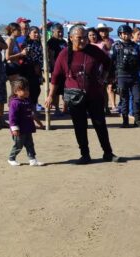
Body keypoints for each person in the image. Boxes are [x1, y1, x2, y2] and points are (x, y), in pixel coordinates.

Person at [45, 25, 119, 164]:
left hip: (94, 94)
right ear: (71, 38)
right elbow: (55, 76)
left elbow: (108, 62)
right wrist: (50, 96)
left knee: (100, 124)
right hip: (74, 96)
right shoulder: (64, 54)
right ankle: (85, 155)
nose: (84, 40)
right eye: (80, 38)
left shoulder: (94, 50)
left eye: (85, 37)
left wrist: (103, 77)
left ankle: (108, 153)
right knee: (80, 126)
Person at [111, 25, 140, 128]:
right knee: (124, 99)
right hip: (121, 76)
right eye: (124, 33)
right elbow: (111, 62)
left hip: (134, 76)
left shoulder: (135, 46)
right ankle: (125, 121)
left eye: (128, 33)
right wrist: (111, 77)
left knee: (137, 98)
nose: (126, 35)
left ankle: (137, 120)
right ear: (120, 34)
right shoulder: (116, 46)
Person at [7, 77, 43, 166]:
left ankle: (32, 159)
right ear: (16, 91)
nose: (26, 91)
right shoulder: (15, 103)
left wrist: (39, 123)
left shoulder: (27, 100)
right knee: (18, 144)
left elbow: (32, 114)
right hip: (19, 129)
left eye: (27, 89)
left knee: (30, 144)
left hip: (28, 127)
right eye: (23, 90)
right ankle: (11, 158)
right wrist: (14, 128)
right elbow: (12, 117)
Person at [21, 26, 43, 117]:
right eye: (34, 33)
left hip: (38, 69)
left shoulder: (38, 43)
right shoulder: (28, 43)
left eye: (37, 32)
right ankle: (30, 110)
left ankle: (33, 108)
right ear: (29, 34)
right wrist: (35, 66)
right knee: (31, 90)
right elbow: (27, 57)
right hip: (29, 69)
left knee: (37, 90)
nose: (37, 34)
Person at [47, 23, 68, 116]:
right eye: (58, 32)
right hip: (56, 69)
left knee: (66, 89)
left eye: (62, 31)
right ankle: (57, 109)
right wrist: (55, 69)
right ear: (53, 32)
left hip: (66, 69)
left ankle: (65, 108)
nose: (60, 33)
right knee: (55, 89)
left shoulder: (63, 41)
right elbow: (51, 57)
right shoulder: (51, 42)